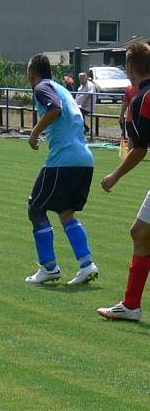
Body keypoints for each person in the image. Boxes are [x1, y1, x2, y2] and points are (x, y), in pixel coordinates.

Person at [24, 54, 98, 285]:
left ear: (33, 71)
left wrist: (35, 132)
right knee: (66, 212)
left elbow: (54, 108)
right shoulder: (61, 88)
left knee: (36, 208)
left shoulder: (42, 87)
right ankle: (87, 264)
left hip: (63, 160)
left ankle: (49, 267)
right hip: (84, 159)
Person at [97, 43, 150, 321]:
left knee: (141, 233)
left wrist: (114, 175)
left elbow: (139, 149)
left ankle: (130, 305)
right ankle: (130, 305)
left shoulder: (143, 98)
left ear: (130, 67)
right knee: (140, 233)